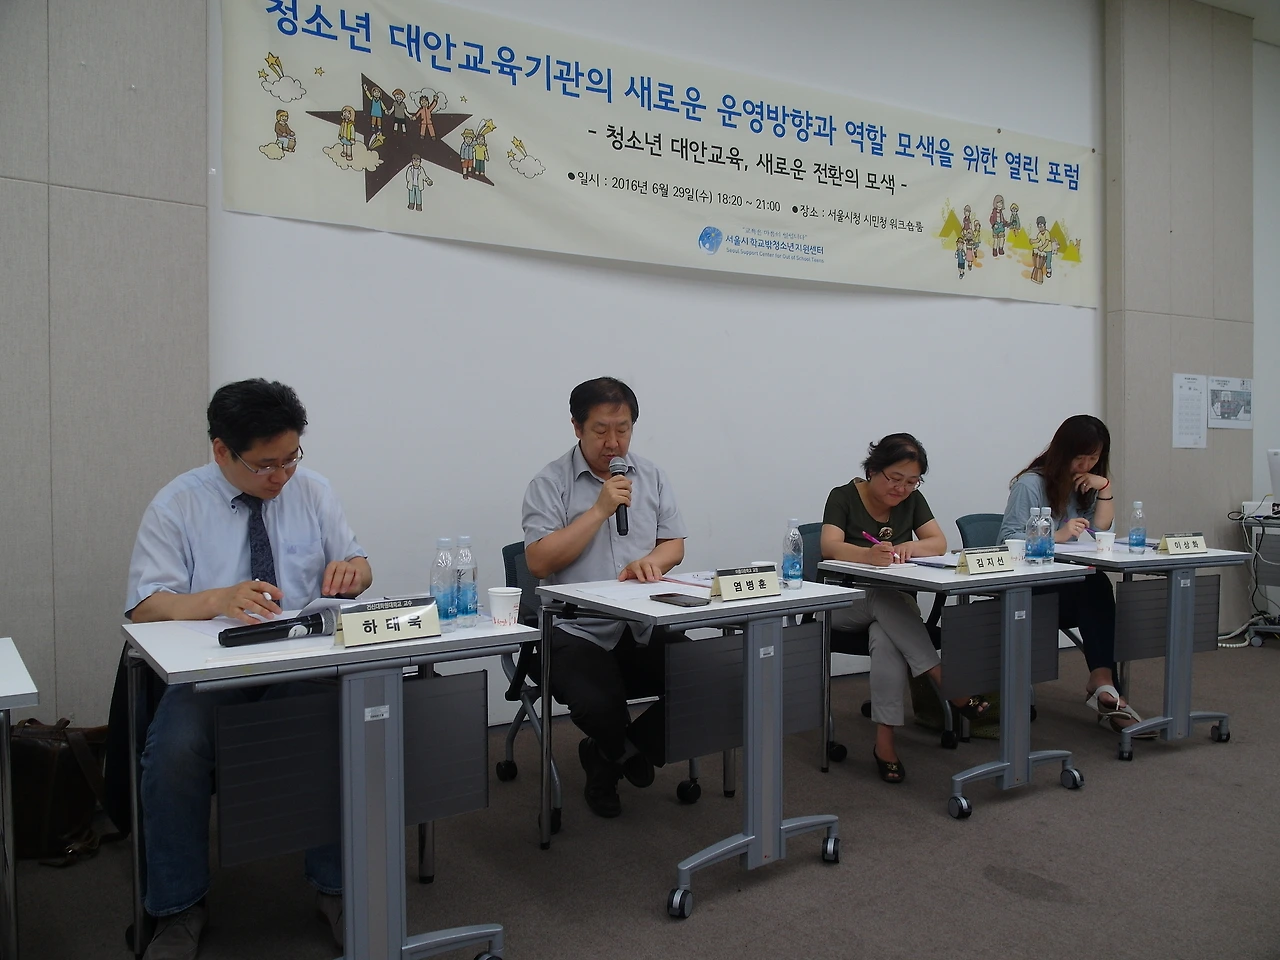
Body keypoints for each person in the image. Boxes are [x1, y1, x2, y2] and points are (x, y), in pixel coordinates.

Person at [126, 379, 372, 960]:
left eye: (291, 458)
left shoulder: (313, 491)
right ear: (221, 451)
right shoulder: (178, 503)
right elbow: (145, 606)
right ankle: (177, 907)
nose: (281, 476)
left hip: (301, 663)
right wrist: (217, 599)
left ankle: (337, 889)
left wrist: (354, 573)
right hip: (213, 673)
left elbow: (359, 564)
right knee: (175, 749)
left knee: (345, 726)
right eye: (265, 465)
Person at [522, 377, 687, 818]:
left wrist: (651, 561)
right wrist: (598, 510)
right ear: (577, 427)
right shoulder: (549, 482)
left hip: (639, 621)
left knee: (709, 676)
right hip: (573, 627)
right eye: (601, 430)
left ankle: (611, 753)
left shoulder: (651, 476)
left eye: (623, 429)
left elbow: (673, 544)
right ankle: (614, 758)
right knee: (599, 702)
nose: (613, 442)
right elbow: (538, 562)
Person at [821, 433, 991, 784]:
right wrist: (867, 555)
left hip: (895, 611)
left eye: (912, 481)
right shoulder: (843, 496)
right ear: (873, 470)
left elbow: (938, 542)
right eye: (895, 478)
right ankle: (945, 680)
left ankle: (884, 744)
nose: (902, 489)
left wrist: (911, 547)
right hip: (844, 605)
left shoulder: (912, 500)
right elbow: (829, 546)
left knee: (885, 636)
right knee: (880, 598)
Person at [997, 415, 1147, 735]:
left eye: (1094, 459)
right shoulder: (1030, 485)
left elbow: (1100, 529)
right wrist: (1057, 536)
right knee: (1094, 587)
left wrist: (1104, 487)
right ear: (1063, 452)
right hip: (1030, 590)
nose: (1085, 465)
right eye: (1080, 458)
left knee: (1095, 584)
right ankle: (1105, 688)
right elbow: (1006, 540)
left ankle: (1103, 682)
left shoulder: (1083, 484)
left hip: (1066, 588)